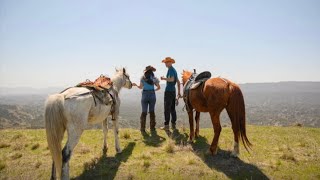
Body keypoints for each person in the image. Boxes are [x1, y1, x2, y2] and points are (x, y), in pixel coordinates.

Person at [132, 65, 161, 133]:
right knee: (152, 111)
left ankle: (142, 129)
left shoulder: (142, 78)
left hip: (144, 95)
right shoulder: (154, 78)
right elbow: (159, 87)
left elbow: (141, 87)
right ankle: (152, 128)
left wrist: (136, 85)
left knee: (144, 112)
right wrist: (154, 90)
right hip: (152, 95)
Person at [160, 57, 182, 130]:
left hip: (169, 91)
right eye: (165, 62)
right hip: (173, 91)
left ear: (170, 63)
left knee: (167, 108)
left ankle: (166, 126)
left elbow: (172, 79)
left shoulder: (171, 70)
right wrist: (178, 93)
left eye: (166, 62)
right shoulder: (174, 70)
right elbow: (178, 82)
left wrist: (164, 79)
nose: (165, 64)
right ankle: (173, 124)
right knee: (172, 108)